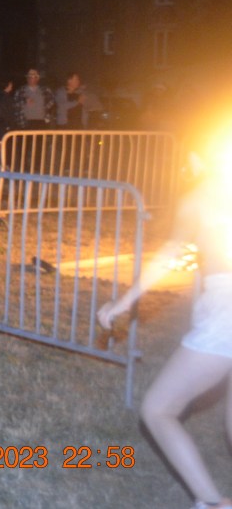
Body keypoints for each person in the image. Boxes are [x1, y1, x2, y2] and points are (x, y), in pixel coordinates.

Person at [97, 128, 232, 509]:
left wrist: (122, 303)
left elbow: (166, 258)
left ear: (198, 159)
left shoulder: (200, 197)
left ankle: (212, 502)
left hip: (226, 309)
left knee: (158, 409)